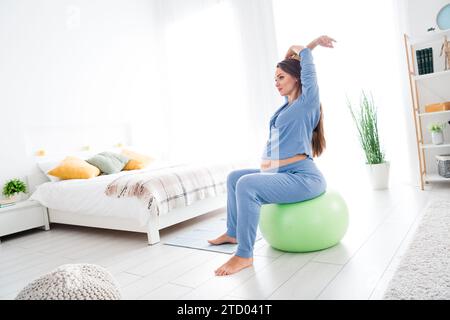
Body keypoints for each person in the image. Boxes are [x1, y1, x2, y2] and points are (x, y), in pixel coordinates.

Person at [208, 35, 336, 276]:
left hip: (303, 178)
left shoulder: (308, 102)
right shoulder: (286, 107)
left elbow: (305, 60)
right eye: (274, 78)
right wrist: (290, 56)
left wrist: (313, 44)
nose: (276, 83)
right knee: (235, 177)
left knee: (246, 184)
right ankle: (233, 232)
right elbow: (293, 56)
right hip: (280, 172)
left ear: (297, 78)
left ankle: (244, 255)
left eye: (281, 77)